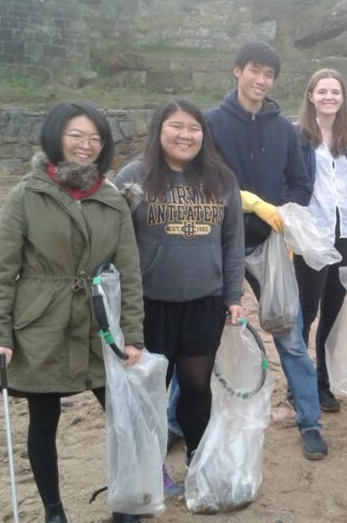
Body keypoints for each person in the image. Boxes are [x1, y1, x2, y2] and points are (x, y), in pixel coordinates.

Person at [0, 102, 145, 523]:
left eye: (94, 138)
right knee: (43, 418)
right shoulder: (26, 194)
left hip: (98, 323)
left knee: (121, 416)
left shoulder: (113, 199)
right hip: (41, 322)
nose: (85, 145)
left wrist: (133, 335)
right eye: (76, 135)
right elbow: (3, 271)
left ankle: (125, 501)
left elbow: (129, 272)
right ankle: (54, 510)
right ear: (57, 137)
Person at [203, 41, 328, 460]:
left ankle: (310, 420)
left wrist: (284, 212)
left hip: (269, 244)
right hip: (219, 244)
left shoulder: (284, 130)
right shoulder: (211, 124)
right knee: (200, 336)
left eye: (269, 74)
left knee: (289, 335)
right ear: (237, 71)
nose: (261, 80)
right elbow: (206, 181)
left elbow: (300, 182)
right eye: (254, 70)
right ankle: (176, 421)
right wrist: (246, 201)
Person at [113, 98, 244, 496]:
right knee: (151, 392)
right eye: (176, 126)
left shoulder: (220, 179)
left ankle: (199, 462)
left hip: (204, 301)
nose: (186, 135)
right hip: (150, 304)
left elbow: (232, 241)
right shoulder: (134, 176)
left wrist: (234, 295)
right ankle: (149, 472)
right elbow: (115, 239)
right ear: (159, 130)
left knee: (196, 386)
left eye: (194, 128)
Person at [294, 69, 347, 412]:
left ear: (343, 98)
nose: (329, 97)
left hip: (344, 234)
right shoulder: (297, 136)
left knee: (333, 312)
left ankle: (322, 382)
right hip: (311, 236)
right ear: (311, 95)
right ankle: (298, 385)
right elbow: (291, 186)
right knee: (305, 312)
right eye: (323, 91)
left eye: (335, 92)